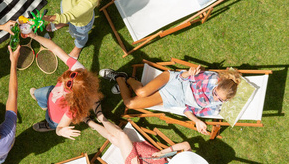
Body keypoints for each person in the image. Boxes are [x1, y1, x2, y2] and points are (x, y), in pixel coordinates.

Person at [99, 66, 242, 135]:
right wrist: (189, 72)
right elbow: (183, 77)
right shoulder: (210, 78)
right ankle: (124, 79)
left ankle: (123, 79)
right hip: (174, 81)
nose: (215, 97)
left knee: (129, 103)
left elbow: (187, 109)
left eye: (220, 98)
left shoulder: (215, 105)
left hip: (173, 98)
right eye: (215, 93)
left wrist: (196, 121)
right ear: (218, 84)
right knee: (141, 92)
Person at [27, 32, 103, 140]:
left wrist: (60, 130)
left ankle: (49, 125)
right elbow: (55, 48)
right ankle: (43, 104)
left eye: (66, 87)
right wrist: (34, 36)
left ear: (74, 96)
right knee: (38, 93)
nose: (62, 83)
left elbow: (60, 127)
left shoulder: (73, 108)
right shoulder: (77, 68)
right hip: (50, 93)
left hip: (55, 116)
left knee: (52, 121)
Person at [43, 0, 109, 59]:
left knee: (80, 36)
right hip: (66, 7)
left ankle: (77, 48)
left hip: (79, 23)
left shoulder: (89, 2)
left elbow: (68, 15)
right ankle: (64, 23)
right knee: (65, 17)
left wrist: (44, 18)